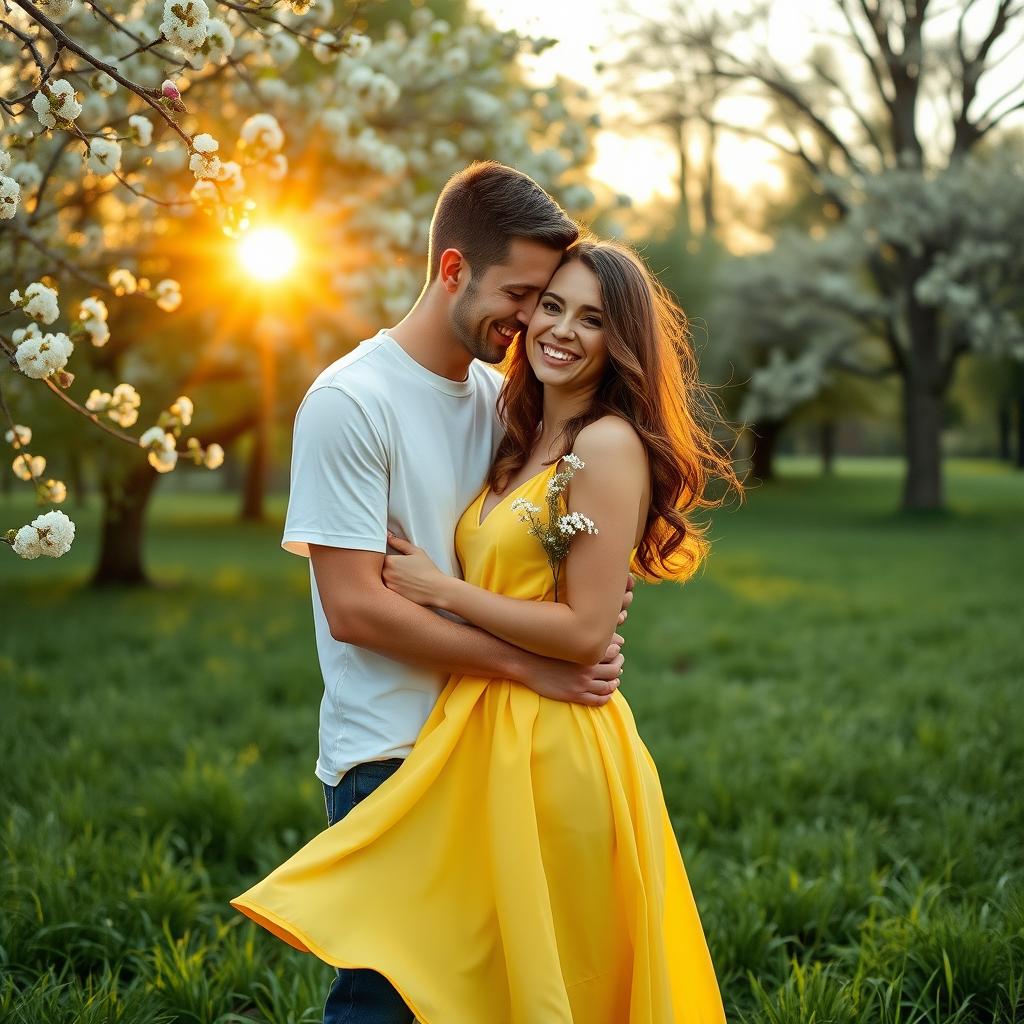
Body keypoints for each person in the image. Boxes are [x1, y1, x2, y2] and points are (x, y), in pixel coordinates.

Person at [231, 226, 744, 1022]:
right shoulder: (519, 435)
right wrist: (543, 623)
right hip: (477, 739)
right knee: (440, 985)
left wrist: (445, 590)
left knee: (532, 978)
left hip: (552, 746)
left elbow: (579, 633)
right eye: (548, 305)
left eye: (591, 319)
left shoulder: (603, 446)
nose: (556, 329)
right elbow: (540, 605)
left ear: (623, 344)